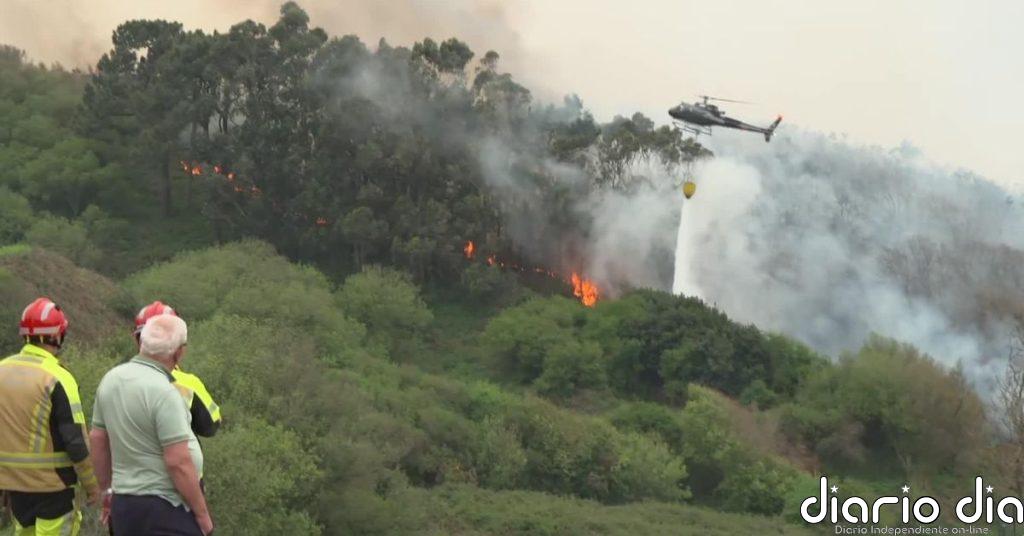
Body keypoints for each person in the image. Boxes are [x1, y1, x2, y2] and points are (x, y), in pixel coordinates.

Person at [89, 314, 213, 536]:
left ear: (142, 343)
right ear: (179, 352)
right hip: (166, 509)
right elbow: (178, 462)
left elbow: (98, 440)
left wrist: (107, 492)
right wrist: (202, 515)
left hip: (125, 506)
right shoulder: (165, 392)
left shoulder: (112, 379)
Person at [0, 297, 100, 536]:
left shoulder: (2, 370)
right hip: (55, 488)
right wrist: (92, 486)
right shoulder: (57, 377)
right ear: (57, 335)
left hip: (14, 487)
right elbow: (76, 442)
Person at [133, 302, 221, 438]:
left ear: (138, 340)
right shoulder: (187, 384)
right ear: (178, 344)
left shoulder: (117, 378)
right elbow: (211, 427)